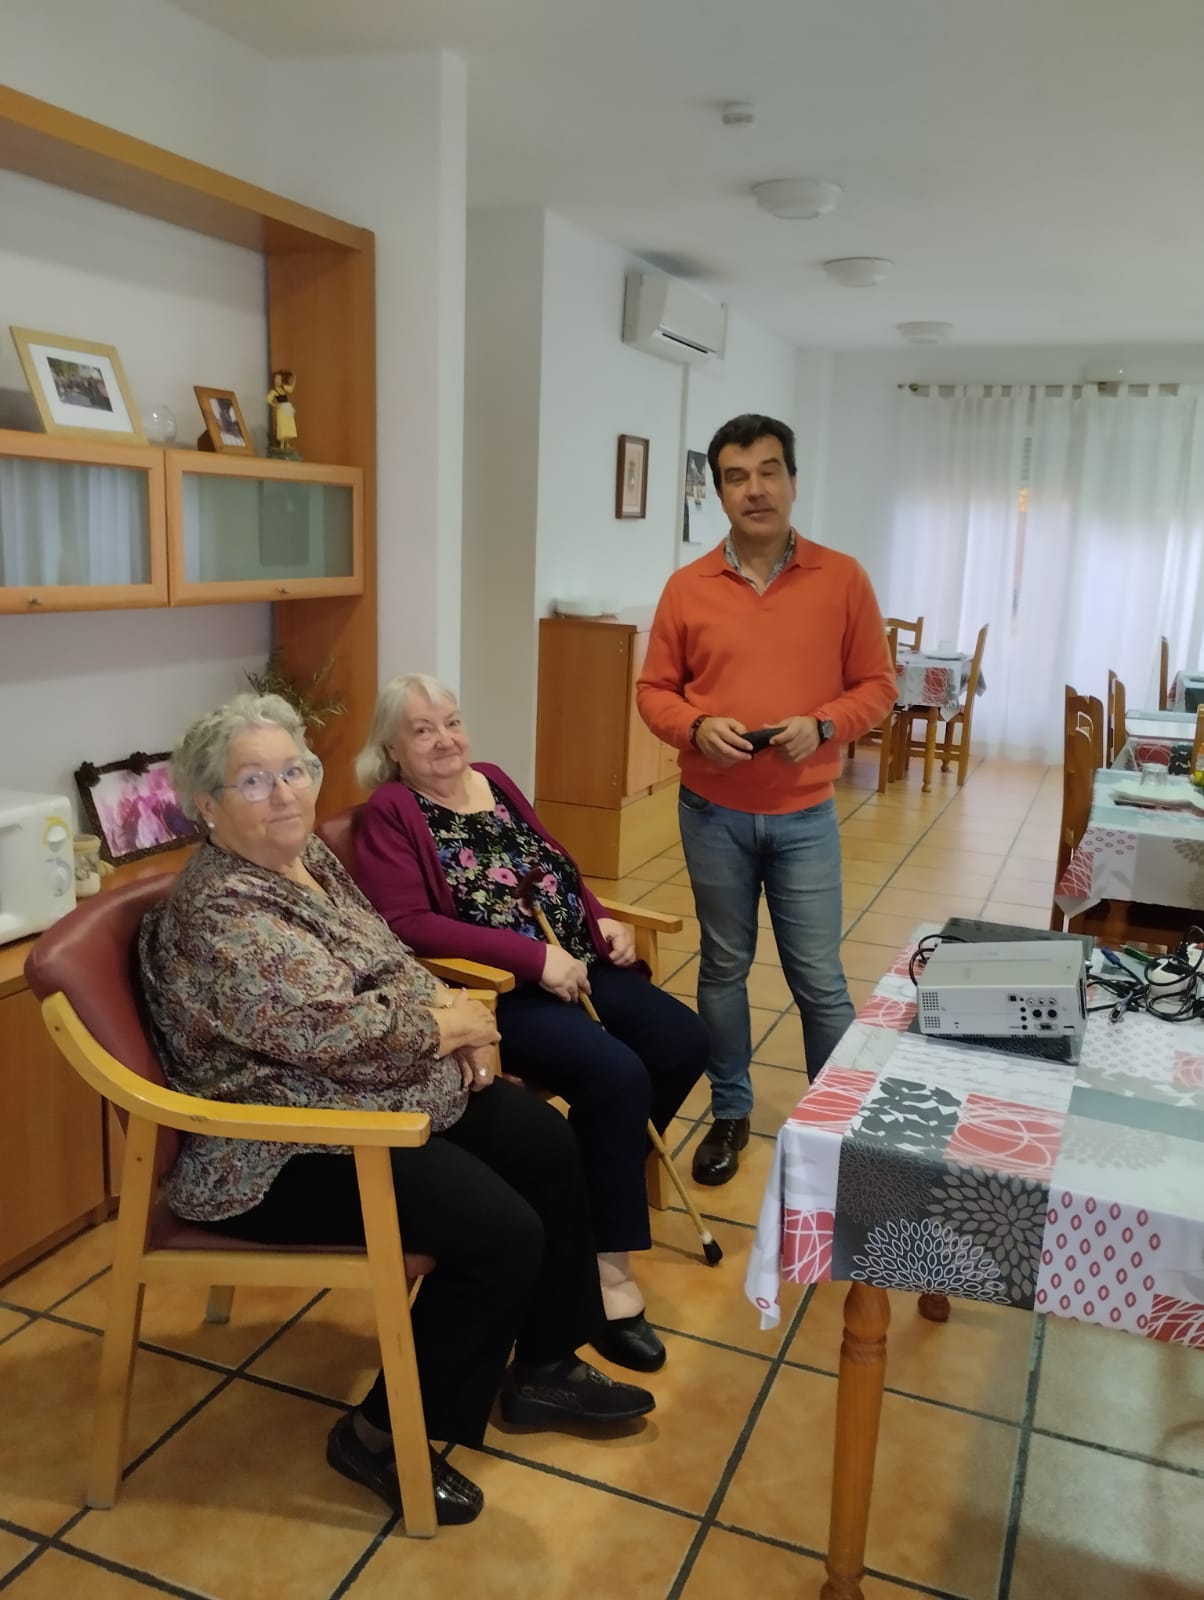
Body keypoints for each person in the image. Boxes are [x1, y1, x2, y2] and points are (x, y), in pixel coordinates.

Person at [138, 693, 654, 1529]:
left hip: (374, 1093)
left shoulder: (303, 855)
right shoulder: (221, 909)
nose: (283, 793)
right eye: (253, 780)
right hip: (275, 1148)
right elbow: (323, 1028)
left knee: (543, 1139)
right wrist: (448, 1027)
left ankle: (545, 1364)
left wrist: (461, 1012)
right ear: (207, 806)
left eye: (294, 771)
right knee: (498, 1232)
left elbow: (385, 956)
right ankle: (376, 1437)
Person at [352, 675, 710, 1374]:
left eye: (451, 722)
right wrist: (532, 957)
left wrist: (601, 916)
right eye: (422, 729)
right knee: (616, 1074)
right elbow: (407, 924)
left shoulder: (493, 780)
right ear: (390, 747)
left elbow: (555, 868)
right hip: (499, 993)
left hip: (576, 963)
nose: (444, 740)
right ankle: (606, 1271)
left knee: (683, 1042)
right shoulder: (392, 811)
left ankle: (578, 1195)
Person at [636, 413, 897, 1186]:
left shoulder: (842, 578)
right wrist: (693, 724)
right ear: (718, 490)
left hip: (805, 816)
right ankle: (730, 1112)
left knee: (818, 977)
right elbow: (653, 692)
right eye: (737, 476)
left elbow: (878, 686)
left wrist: (822, 723)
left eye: (769, 471)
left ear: (791, 479)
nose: (755, 489)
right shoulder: (687, 588)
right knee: (722, 967)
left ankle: (836, 1128)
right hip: (712, 811)